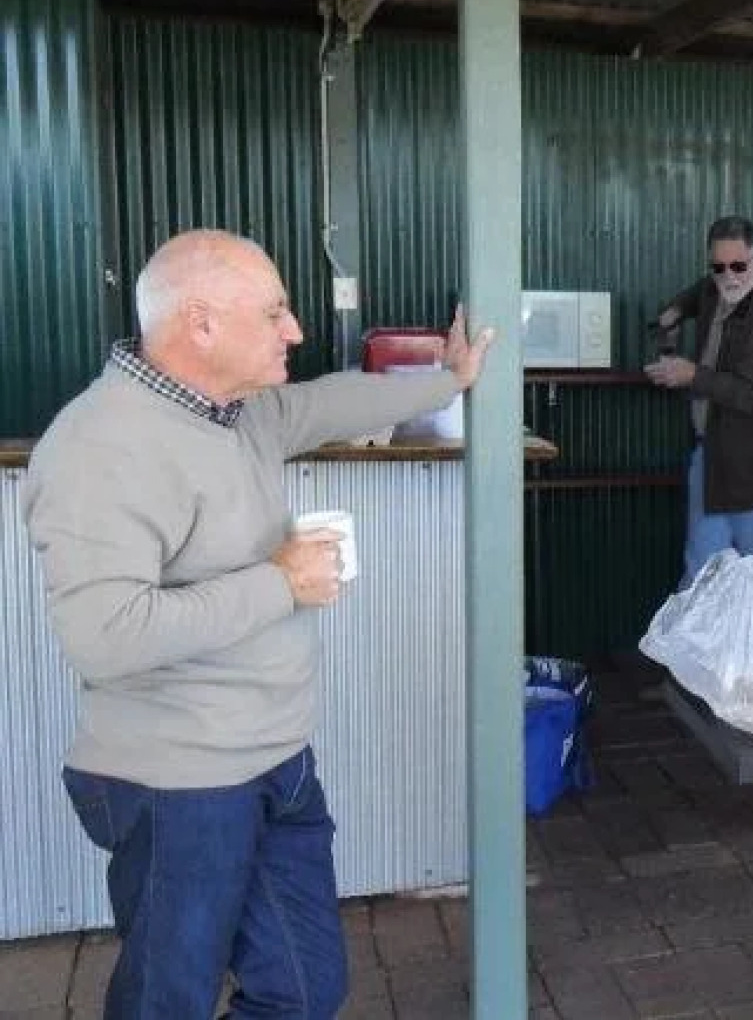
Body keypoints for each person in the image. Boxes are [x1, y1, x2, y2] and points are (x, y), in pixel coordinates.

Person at [21, 229, 494, 1019]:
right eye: (275, 311)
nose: (295, 330)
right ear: (200, 323)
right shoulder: (99, 446)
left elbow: (323, 402)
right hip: (180, 785)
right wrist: (279, 583)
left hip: (275, 762)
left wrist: (447, 380)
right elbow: (106, 635)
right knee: (165, 1001)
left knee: (304, 990)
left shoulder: (233, 414)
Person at [647, 216, 753, 649]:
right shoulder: (716, 289)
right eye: (719, 267)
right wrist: (675, 311)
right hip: (714, 456)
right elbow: (699, 292)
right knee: (701, 569)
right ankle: (694, 674)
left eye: (739, 266)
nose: (728, 276)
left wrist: (690, 375)